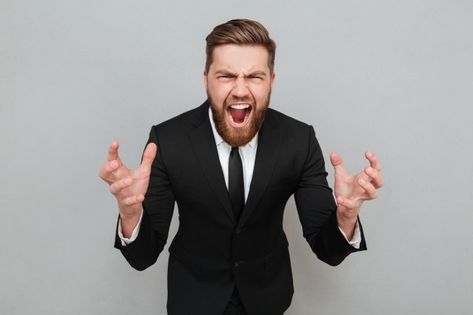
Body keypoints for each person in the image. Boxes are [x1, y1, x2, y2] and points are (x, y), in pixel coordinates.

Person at [99, 19, 383, 315]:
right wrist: (131, 214)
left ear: (271, 81)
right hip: (193, 300)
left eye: (254, 77)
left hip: (268, 299)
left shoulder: (299, 140)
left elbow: (328, 251)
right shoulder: (168, 140)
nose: (240, 90)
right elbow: (142, 257)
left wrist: (346, 216)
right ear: (206, 78)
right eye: (226, 76)